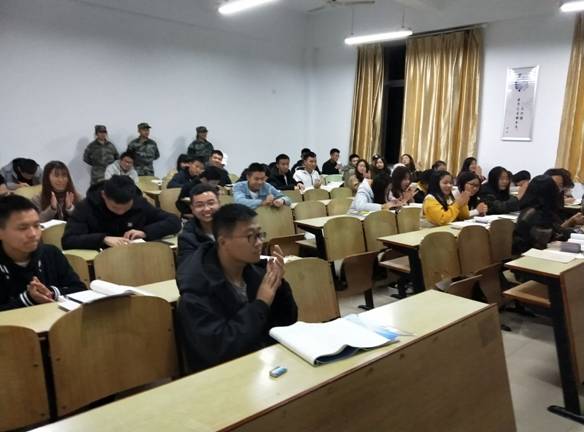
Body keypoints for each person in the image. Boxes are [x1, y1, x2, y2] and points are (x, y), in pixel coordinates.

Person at [176, 203, 298, 373]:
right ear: (223, 242)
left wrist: (279, 285)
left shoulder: (256, 272)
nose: (259, 243)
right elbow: (219, 350)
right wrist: (261, 303)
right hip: (221, 375)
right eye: (250, 237)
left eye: (260, 235)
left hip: (262, 364)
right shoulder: (197, 288)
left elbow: (286, 324)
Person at [0, 195, 85, 311]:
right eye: (23, 228)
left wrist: (50, 292)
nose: (33, 234)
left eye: (36, 226)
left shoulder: (51, 253)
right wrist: (27, 299)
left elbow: (79, 289)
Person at [62, 175, 181, 250]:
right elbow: (68, 240)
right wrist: (103, 239)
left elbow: (174, 221)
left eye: (126, 208)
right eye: (115, 207)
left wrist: (145, 232)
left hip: (137, 257)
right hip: (102, 262)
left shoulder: (139, 203)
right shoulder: (86, 207)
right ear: (104, 195)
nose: (120, 212)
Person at [513, 175, 584, 254]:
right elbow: (546, 240)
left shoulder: (532, 209)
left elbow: (557, 231)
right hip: (531, 254)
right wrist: (573, 230)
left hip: (533, 251)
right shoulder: (537, 214)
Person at [177, 184, 220, 265]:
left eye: (211, 203)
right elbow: (187, 267)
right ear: (192, 209)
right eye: (200, 205)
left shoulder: (233, 227)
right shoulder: (187, 237)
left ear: (219, 204)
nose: (206, 209)